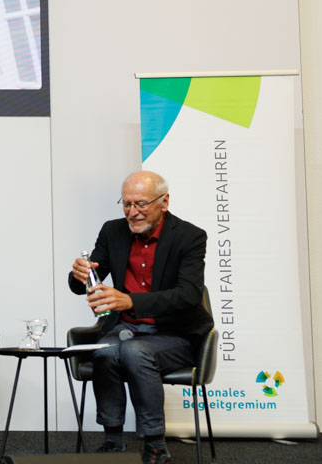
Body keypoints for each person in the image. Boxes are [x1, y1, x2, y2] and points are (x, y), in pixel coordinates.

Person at [69, 171, 213, 464]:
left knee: (135, 352)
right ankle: (112, 442)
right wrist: (78, 275)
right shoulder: (113, 231)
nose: (132, 212)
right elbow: (86, 282)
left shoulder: (190, 237)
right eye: (126, 203)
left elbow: (187, 294)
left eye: (141, 204)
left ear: (164, 202)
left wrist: (130, 300)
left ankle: (155, 444)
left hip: (174, 334)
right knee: (105, 352)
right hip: (124, 329)